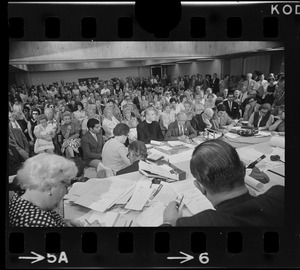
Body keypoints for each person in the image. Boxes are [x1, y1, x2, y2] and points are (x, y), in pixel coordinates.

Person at [162, 139, 284, 226]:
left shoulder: (197, 224)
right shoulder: (280, 195)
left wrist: (169, 222)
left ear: (200, 187)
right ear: (243, 170)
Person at [9, 153, 83, 227]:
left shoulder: (21, 196)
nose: (67, 192)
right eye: (66, 186)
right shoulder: (38, 223)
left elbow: (49, 214)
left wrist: (63, 222)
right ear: (49, 185)